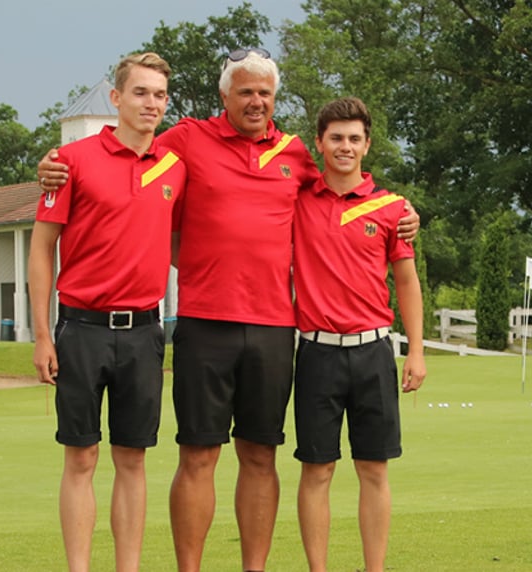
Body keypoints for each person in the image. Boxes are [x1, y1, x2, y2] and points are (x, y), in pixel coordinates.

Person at [39, 48, 419, 572]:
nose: (256, 101)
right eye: (245, 92)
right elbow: (127, 151)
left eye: (265, 93)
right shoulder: (188, 140)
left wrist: (405, 216)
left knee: (260, 456)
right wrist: (51, 164)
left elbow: (344, 184)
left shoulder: (295, 154)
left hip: (272, 330)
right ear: (224, 96)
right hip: (203, 323)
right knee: (198, 456)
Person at [29, 52, 183, 572]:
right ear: (116, 99)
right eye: (141, 93)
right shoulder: (70, 161)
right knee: (81, 458)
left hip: (143, 332)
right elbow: (40, 249)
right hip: (81, 329)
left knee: (133, 459)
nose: (151, 104)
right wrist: (41, 336)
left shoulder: (173, 165)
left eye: (160, 95)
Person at [292, 97, 426, 572]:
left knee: (373, 468)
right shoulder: (298, 198)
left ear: (367, 144)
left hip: (373, 351)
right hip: (315, 353)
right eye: (336, 138)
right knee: (317, 469)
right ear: (320, 143)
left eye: (353, 138)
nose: (345, 147)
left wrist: (416, 352)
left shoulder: (392, 209)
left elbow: (406, 281)